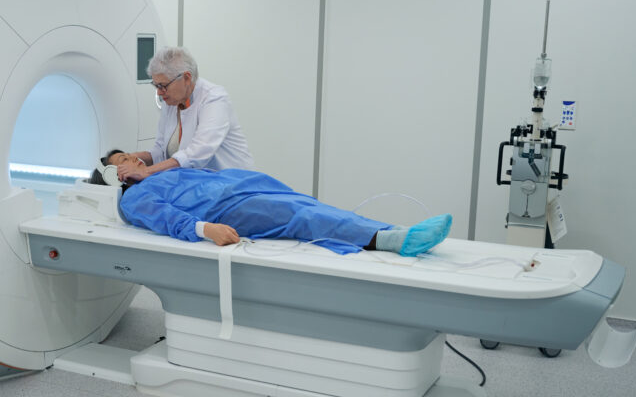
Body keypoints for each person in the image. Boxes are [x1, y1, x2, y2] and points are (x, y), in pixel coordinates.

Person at [91, 150, 452, 257]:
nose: (135, 159)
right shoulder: (136, 197)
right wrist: (207, 230)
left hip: (245, 187)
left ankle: (388, 230)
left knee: (307, 204)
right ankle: (396, 241)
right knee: (299, 215)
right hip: (226, 210)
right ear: (113, 176)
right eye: (124, 160)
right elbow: (169, 219)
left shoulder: (159, 172)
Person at [116, 46, 254, 183]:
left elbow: (197, 153)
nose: (159, 92)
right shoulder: (171, 102)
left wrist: (145, 171)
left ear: (187, 78)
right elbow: (160, 151)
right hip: (202, 186)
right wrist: (128, 158)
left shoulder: (214, 99)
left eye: (163, 86)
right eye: (156, 85)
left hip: (234, 185)